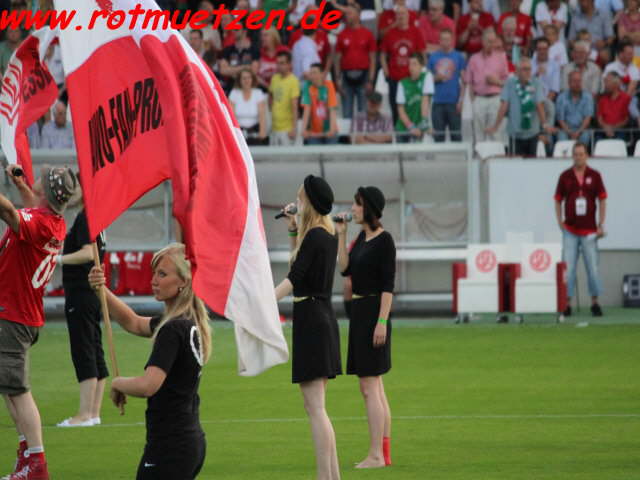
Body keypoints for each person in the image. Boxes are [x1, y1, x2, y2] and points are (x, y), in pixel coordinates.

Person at [88, 243, 212, 480]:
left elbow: (148, 385)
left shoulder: (172, 330)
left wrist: (118, 383)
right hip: (188, 442)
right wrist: (101, 290)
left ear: (183, 281)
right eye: (154, 272)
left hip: (170, 446)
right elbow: (134, 322)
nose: (154, 280)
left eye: (162, 274)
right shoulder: (185, 321)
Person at [1, 166, 77, 480]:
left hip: (13, 315)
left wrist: (12, 196)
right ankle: (26, 455)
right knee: (9, 388)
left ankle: (37, 463)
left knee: (18, 391)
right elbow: (33, 210)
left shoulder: (40, 224)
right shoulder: (52, 221)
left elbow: (10, 213)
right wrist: (22, 186)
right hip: (19, 314)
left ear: (45, 190)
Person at [274, 175, 342, 480]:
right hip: (320, 316)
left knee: (315, 409)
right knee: (316, 407)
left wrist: (265, 302)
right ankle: (332, 476)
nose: (296, 203)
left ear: (310, 203)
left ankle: (324, 476)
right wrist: (293, 229)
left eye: (300, 199)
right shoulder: (326, 234)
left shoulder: (315, 236)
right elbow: (300, 266)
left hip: (312, 319)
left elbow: (294, 278)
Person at [336, 186, 395, 469]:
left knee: (369, 386)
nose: (353, 208)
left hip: (373, 314)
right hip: (359, 313)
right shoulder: (361, 237)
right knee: (375, 386)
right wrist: (341, 235)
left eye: (357, 204)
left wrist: (381, 322)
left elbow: (388, 286)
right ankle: (384, 453)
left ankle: (375, 455)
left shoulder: (385, 240)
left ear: (368, 207)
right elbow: (344, 269)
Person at [56, 202, 108, 428]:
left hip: (81, 292)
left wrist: (58, 259)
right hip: (91, 292)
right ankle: (94, 412)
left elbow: (88, 252)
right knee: (94, 348)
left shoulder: (87, 216)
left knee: (84, 349)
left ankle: (85, 414)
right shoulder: (97, 216)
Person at [554, 142, 607, 317]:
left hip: (590, 231)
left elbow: (602, 199)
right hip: (570, 230)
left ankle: (595, 303)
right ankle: (566, 304)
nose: (578, 157)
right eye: (575, 154)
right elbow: (557, 200)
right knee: (568, 269)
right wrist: (559, 221)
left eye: (581, 154)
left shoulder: (595, 175)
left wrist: (601, 223)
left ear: (587, 155)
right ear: (572, 156)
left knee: (593, 267)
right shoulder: (565, 176)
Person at [486, 57, 552, 156]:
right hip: (515, 133)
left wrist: (544, 124)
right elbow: (504, 105)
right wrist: (496, 126)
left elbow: (539, 105)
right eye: (524, 69)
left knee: (531, 162)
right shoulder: (510, 83)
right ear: (517, 71)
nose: (528, 72)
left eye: (529, 69)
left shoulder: (536, 83)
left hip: (532, 133)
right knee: (515, 162)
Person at [380, 5, 427, 125]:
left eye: (403, 14)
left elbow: (422, 54)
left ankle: (414, 131)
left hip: (411, 79)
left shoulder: (416, 32)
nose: (401, 16)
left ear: (408, 15)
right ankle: (398, 133)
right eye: (398, 14)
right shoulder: (390, 33)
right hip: (395, 78)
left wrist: (422, 71)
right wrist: (386, 71)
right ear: (395, 16)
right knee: (395, 108)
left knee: (413, 108)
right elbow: (383, 55)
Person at [465, 29, 509, 142]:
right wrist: (473, 101)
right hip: (479, 98)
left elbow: (507, 82)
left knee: (495, 133)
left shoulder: (501, 58)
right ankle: (479, 153)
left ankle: (495, 153)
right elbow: (469, 82)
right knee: (478, 133)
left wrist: (497, 81)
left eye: (493, 41)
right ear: (483, 41)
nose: (492, 44)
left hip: (495, 98)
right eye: (489, 41)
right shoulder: (474, 58)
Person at [335, 4, 377, 119]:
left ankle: (361, 132)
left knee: (363, 114)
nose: (347, 16)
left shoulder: (367, 34)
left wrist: (371, 80)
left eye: (350, 13)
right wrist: (338, 79)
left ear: (358, 15)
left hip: (363, 77)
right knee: (346, 114)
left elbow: (373, 59)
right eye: (346, 13)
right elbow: (337, 59)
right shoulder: (342, 34)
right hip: (346, 77)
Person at [429, 28, 466, 142]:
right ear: (439, 41)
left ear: (452, 40)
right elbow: (427, 80)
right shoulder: (433, 57)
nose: (445, 42)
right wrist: (436, 78)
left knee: (456, 136)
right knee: (438, 137)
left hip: (454, 103)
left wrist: (461, 101)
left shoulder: (459, 57)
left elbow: (463, 81)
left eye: (448, 39)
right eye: (443, 39)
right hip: (437, 102)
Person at [396, 53, 435, 143]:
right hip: (403, 128)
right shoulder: (402, 83)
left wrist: (424, 123)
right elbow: (400, 109)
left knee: (417, 150)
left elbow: (425, 100)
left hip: (418, 127)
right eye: (410, 64)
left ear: (421, 66)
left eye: (415, 64)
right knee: (402, 152)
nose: (411, 67)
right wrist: (410, 126)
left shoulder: (427, 76)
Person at [301, 63, 339, 145]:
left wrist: (331, 130)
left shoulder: (329, 85)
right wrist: (303, 130)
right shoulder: (307, 86)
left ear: (322, 74)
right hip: (314, 133)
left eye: (314, 73)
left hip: (329, 131)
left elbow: (332, 109)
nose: (312, 76)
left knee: (331, 147)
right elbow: (306, 109)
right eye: (311, 73)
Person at [229, 68, 268, 145]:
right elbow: (231, 116)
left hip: (255, 132)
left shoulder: (258, 93)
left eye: (249, 77)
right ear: (239, 80)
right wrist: (233, 134)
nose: (246, 80)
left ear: (252, 79)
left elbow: (262, 116)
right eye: (244, 78)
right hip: (239, 133)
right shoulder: (234, 93)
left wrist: (262, 133)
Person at [269, 50, 300, 146]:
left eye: (282, 63)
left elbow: (295, 106)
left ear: (289, 64)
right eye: (278, 63)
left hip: (287, 129)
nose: (279, 66)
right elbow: (271, 97)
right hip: (274, 128)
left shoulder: (293, 80)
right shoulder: (274, 78)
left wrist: (294, 128)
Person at [555, 70, 594, 145]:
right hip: (565, 129)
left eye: (579, 81)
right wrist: (570, 133)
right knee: (562, 137)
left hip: (582, 129)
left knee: (585, 136)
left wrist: (578, 132)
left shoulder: (588, 97)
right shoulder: (561, 97)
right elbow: (560, 120)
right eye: (575, 81)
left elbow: (587, 119)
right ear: (569, 83)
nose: (577, 84)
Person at [596, 71, 631, 141]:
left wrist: (613, 128)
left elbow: (626, 119)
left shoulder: (626, 98)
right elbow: (599, 119)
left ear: (616, 84)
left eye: (607, 82)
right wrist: (606, 127)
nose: (605, 85)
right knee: (596, 138)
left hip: (620, 130)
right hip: (604, 130)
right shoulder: (602, 99)